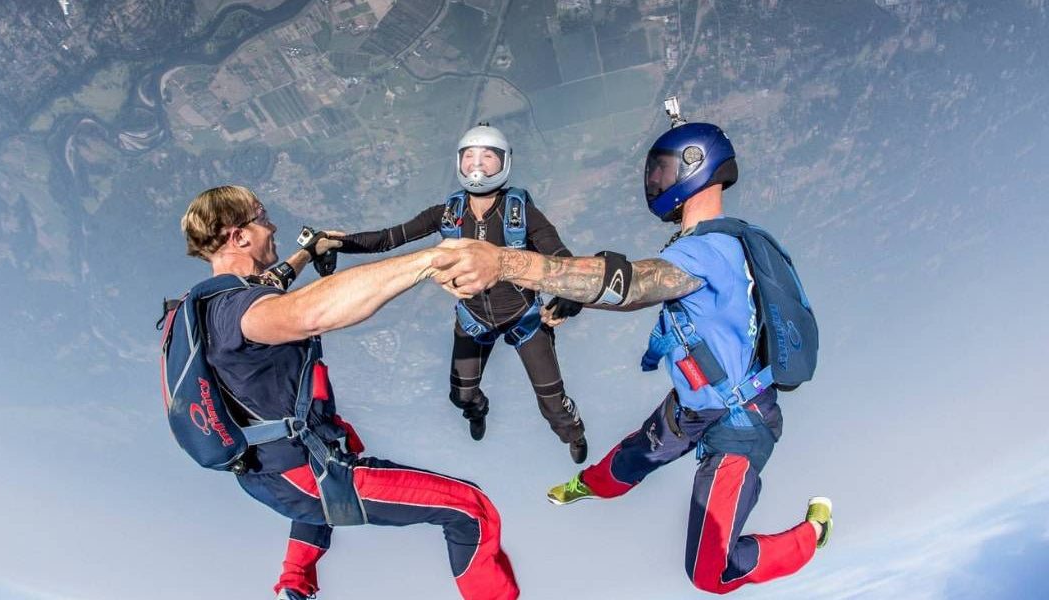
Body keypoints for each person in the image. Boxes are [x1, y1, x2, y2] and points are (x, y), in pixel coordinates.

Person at [430, 111, 833, 594]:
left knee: (712, 571)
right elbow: (674, 308)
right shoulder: (711, 243)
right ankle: (588, 484)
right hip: (699, 402)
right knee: (634, 458)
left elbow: (633, 285)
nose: (654, 181)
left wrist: (507, 263)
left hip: (738, 424)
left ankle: (814, 533)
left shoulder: (707, 251)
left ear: (695, 166)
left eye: (662, 170)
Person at [177, 185, 519, 600]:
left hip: (269, 471)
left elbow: (271, 281)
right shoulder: (239, 310)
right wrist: (431, 260)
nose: (272, 225)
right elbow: (308, 312)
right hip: (303, 476)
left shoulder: (215, 301)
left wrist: (308, 251)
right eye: (262, 216)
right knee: (471, 510)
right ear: (240, 236)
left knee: (337, 436)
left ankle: (294, 584)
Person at [332, 124, 590, 463]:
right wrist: (338, 242)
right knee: (462, 394)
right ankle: (476, 409)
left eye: (488, 158)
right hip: (475, 320)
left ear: (505, 163)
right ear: (459, 163)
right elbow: (387, 238)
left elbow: (558, 255)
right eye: (470, 157)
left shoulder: (520, 211)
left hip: (523, 318)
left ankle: (573, 433)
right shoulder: (446, 214)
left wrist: (570, 293)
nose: (478, 166)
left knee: (553, 402)